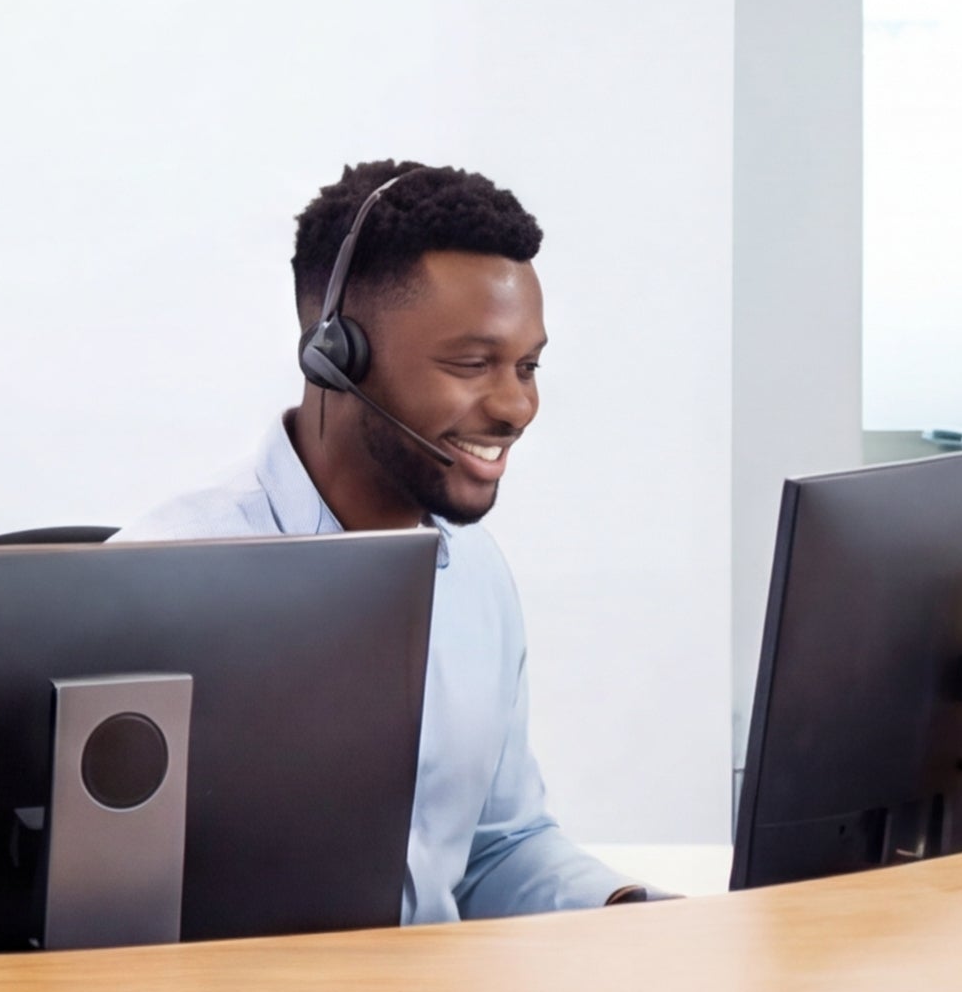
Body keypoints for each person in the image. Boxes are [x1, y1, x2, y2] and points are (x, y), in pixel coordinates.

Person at [128, 157, 648, 919]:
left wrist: (636, 911)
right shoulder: (163, 581)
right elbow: (98, 906)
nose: (516, 407)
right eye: (473, 364)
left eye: (528, 366)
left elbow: (498, 847)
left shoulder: (473, 574)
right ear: (335, 357)